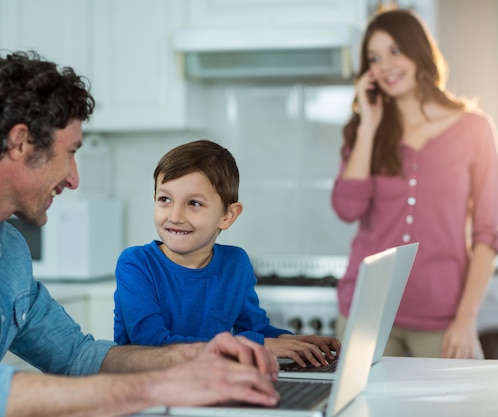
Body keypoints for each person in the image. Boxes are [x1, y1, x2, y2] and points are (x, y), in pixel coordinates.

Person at [0, 50, 283, 417]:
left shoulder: (7, 248)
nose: (74, 178)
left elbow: (78, 355)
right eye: (69, 153)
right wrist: (161, 386)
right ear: (21, 143)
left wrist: (197, 355)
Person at [332, 8, 498, 359]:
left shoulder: (474, 129)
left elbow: (489, 232)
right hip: (366, 312)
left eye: (395, 51)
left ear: (418, 51)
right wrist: (368, 126)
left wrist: (466, 319)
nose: (385, 66)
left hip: (443, 317)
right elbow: (347, 209)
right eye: (373, 58)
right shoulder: (366, 131)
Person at [113, 139, 341, 368]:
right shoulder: (136, 264)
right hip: (147, 390)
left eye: (193, 203)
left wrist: (293, 341)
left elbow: (255, 330)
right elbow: (151, 344)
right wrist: (259, 343)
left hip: (210, 386)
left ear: (228, 215)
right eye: (165, 199)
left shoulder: (235, 264)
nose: (175, 216)